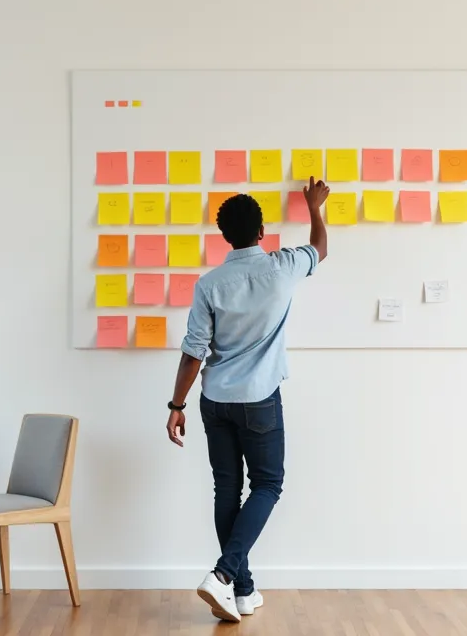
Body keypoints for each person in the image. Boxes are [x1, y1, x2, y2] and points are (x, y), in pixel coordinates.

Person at [165, 177, 331, 622]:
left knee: (227, 490)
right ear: (262, 232)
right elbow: (320, 248)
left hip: (214, 400)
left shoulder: (210, 283)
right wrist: (314, 207)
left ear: (224, 237)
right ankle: (222, 576)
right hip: (259, 400)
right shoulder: (283, 266)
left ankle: (242, 591)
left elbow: (193, 350)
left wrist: (175, 406)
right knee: (268, 485)